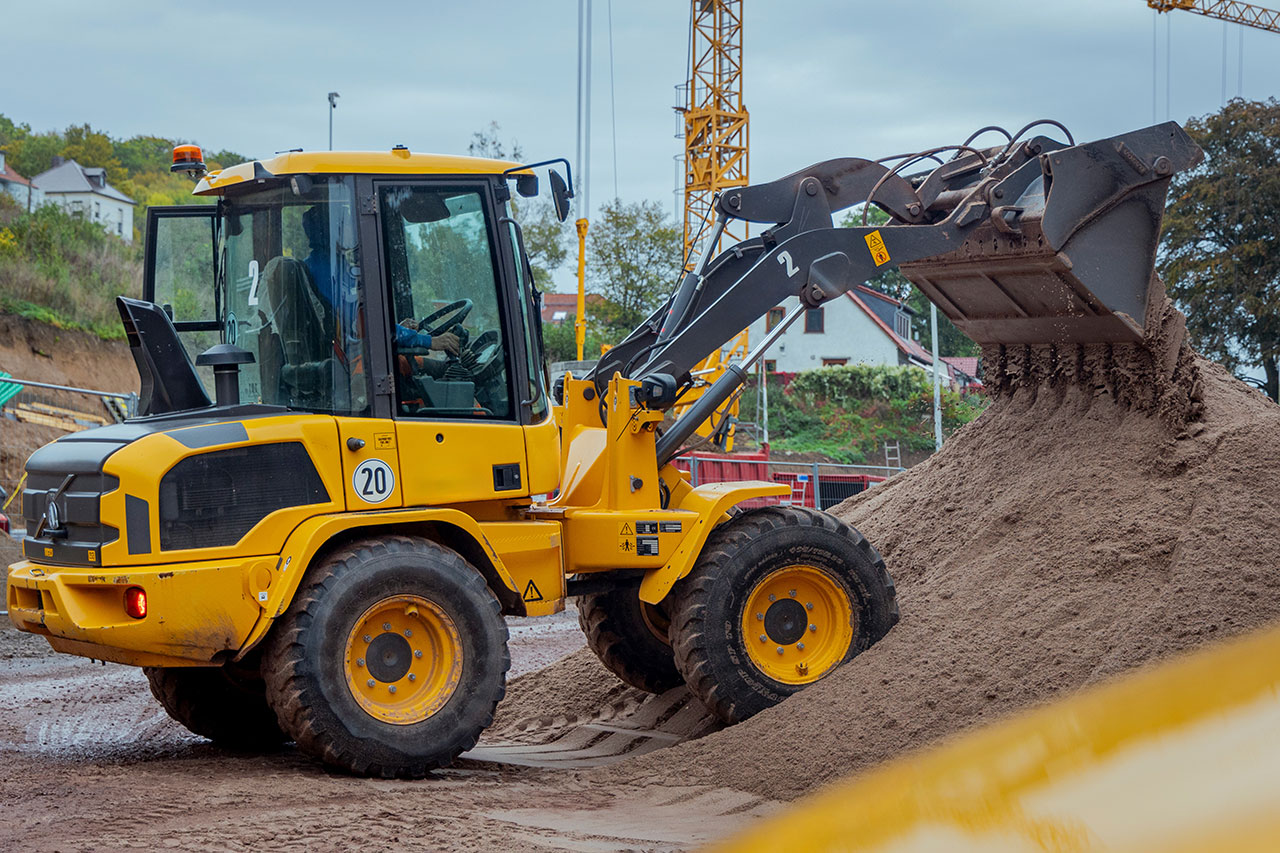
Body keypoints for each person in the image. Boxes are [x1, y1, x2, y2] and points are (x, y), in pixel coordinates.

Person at [301, 205, 459, 355]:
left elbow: (365, 320)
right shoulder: (325, 270)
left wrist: (396, 329)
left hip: (357, 349)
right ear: (333, 229)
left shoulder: (329, 263)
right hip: (356, 360)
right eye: (348, 223)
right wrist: (428, 341)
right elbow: (366, 321)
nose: (354, 228)